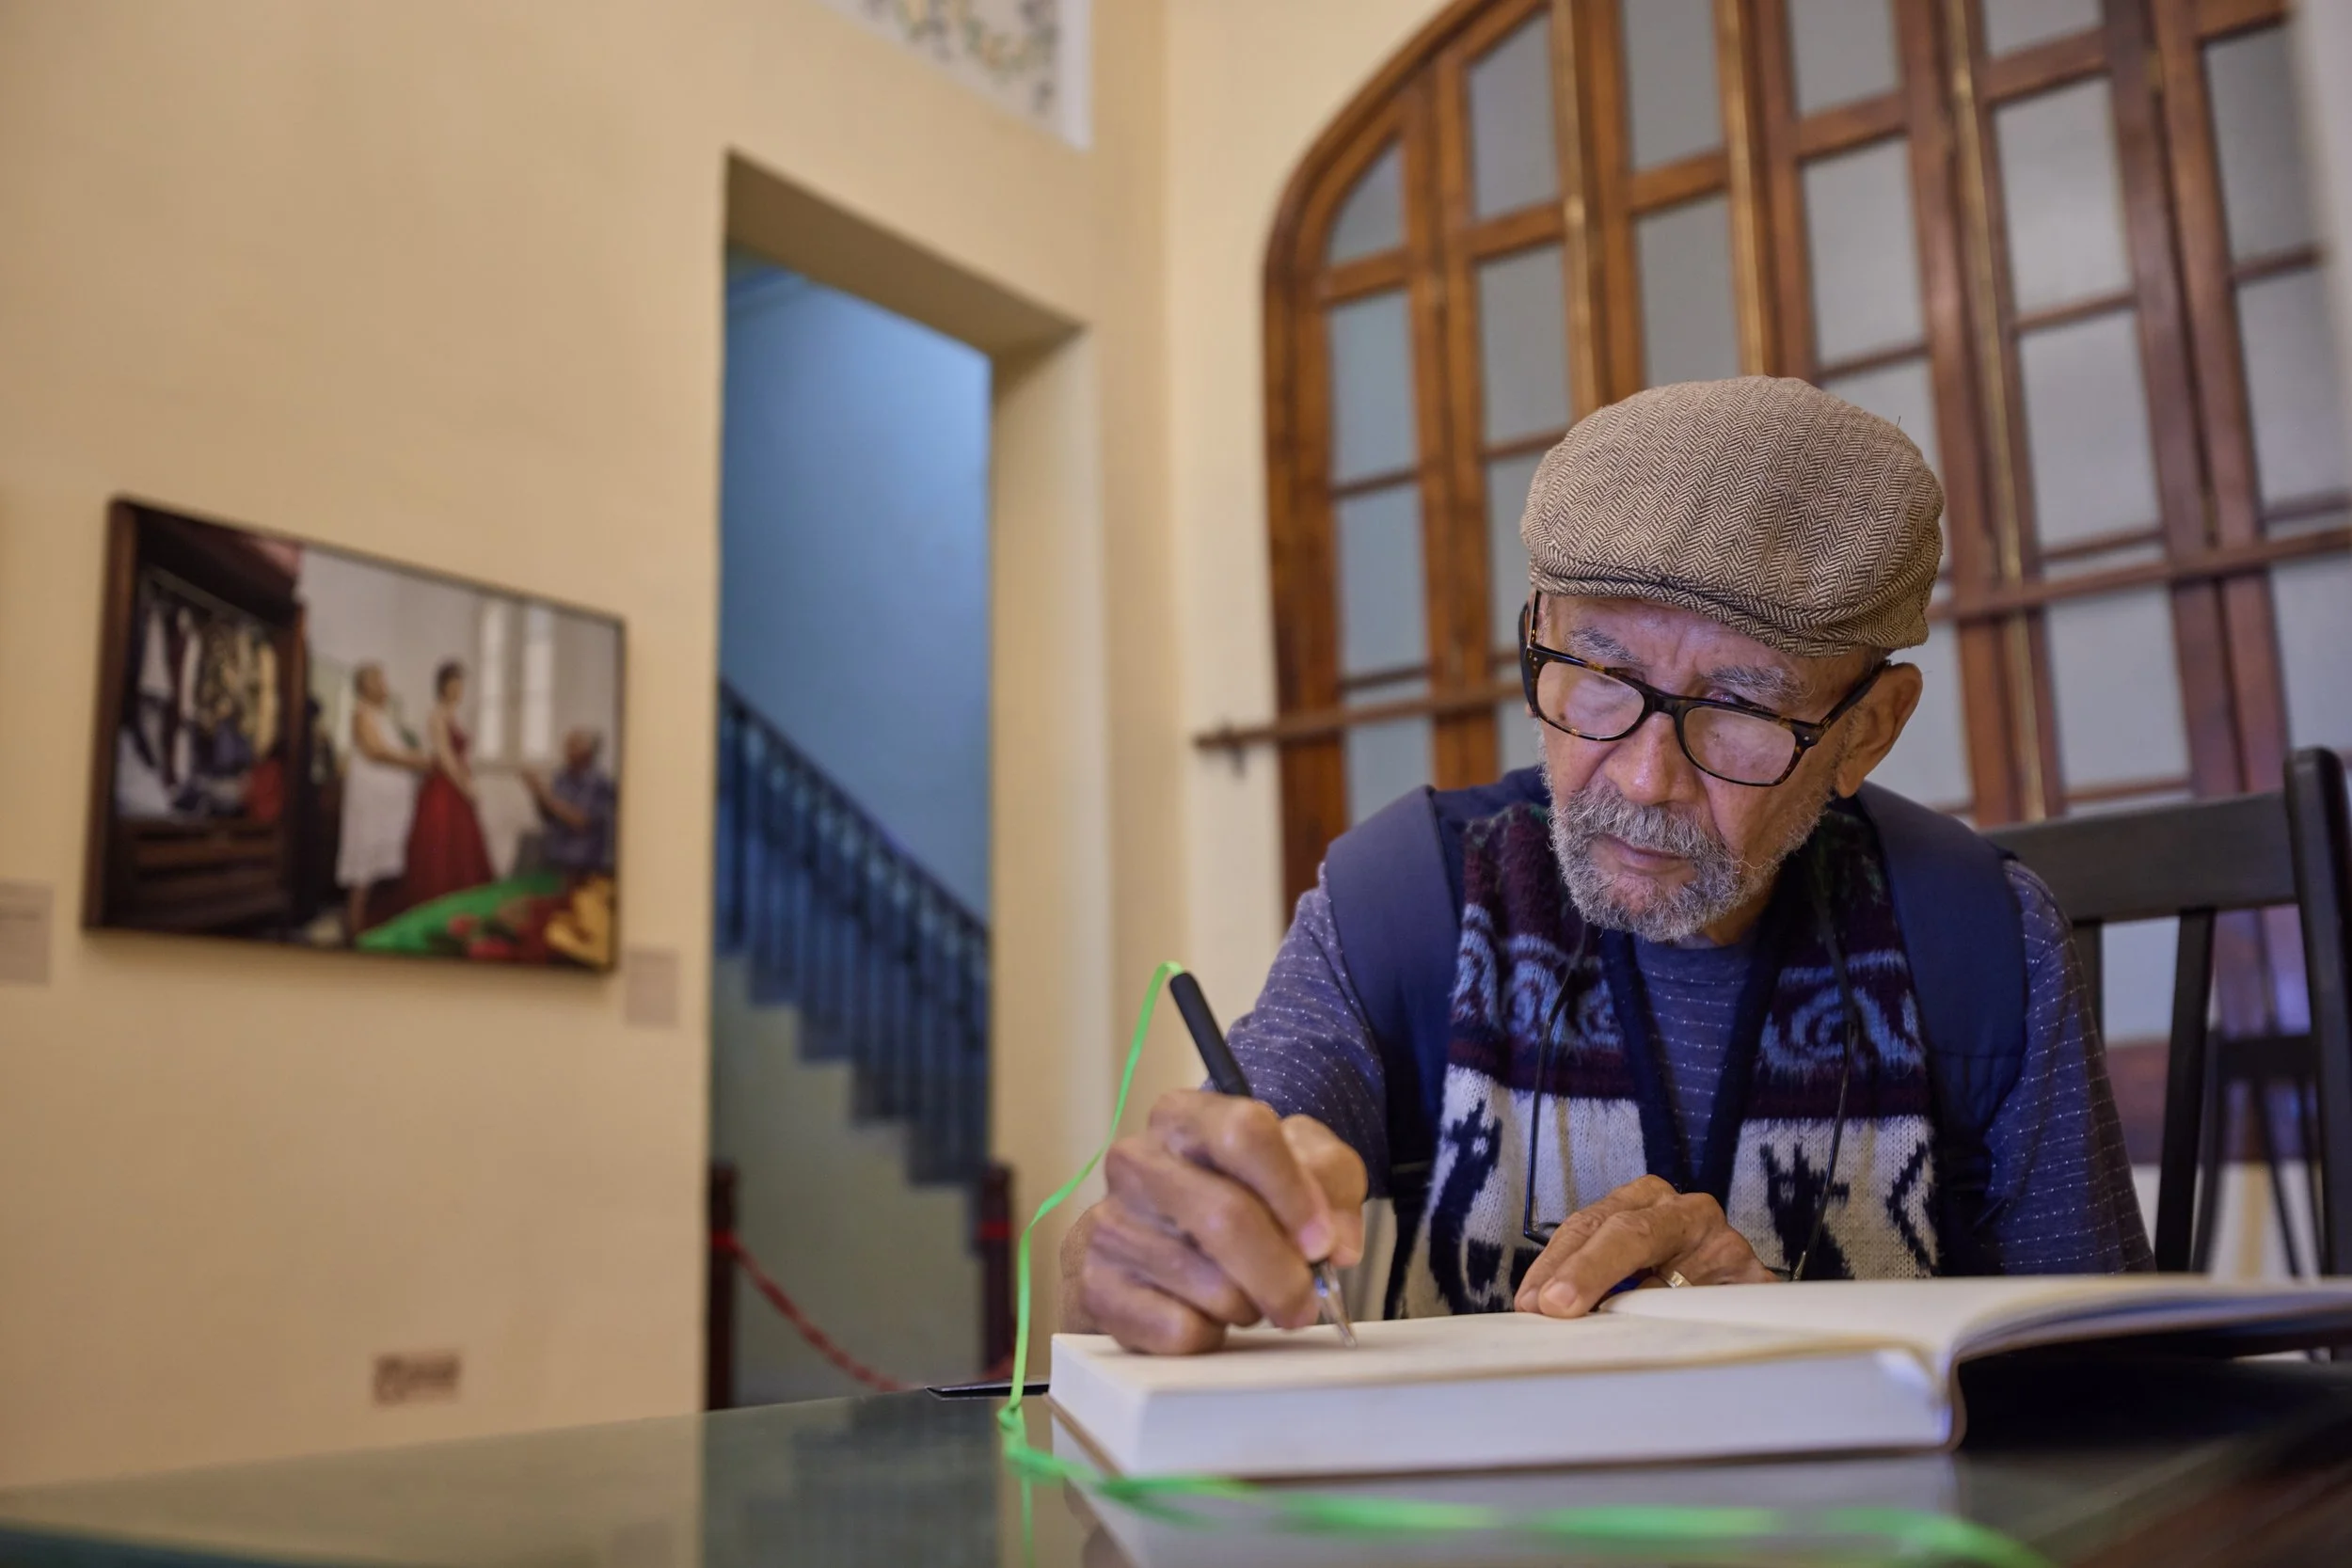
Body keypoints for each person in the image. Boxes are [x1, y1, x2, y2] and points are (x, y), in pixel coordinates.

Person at [1064, 376, 2150, 1355]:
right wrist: (1146, 1250)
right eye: (1596, 672)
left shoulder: (1977, 938)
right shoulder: (1406, 901)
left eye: (1738, 707)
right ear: (1538, 632)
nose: (1640, 776)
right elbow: (1226, 1172)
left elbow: (2112, 1391)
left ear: (1868, 728)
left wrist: (1785, 1346)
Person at [338, 663, 428, 938]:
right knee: (364, 869)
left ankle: (377, 926)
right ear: (365, 686)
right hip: (370, 805)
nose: (384, 685)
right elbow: (376, 751)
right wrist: (417, 760)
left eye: (383, 680)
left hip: (387, 809)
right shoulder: (361, 713)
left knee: (384, 872)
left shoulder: (382, 716)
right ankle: (354, 932)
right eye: (378, 680)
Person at [398, 659, 496, 908]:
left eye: (460, 684)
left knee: (461, 847)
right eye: (454, 684)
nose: (458, 689)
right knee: (442, 845)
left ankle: (463, 905)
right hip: (443, 789)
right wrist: (467, 788)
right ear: (443, 687)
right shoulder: (437, 715)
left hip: (458, 785)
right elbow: (445, 758)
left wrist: (468, 782)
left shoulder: (455, 715)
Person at [520, 728, 616, 877]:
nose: (567, 751)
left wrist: (545, 794)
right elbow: (549, 817)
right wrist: (537, 794)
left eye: (573, 746)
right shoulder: (561, 777)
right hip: (556, 859)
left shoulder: (600, 783)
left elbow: (581, 821)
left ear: (588, 752)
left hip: (585, 864)